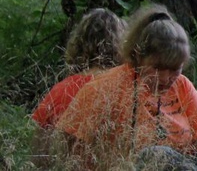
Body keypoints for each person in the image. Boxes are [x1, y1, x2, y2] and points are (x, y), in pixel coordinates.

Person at [54, 5, 197, 170]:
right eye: (157, 68)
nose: (165, 78)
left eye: (174, 69)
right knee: (155, 155)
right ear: (137, 57)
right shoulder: (102, 88)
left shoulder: (183, 85)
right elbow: (69, 146)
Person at [31, 9, 126, 167]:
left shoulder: (60, 90)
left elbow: (39, 155)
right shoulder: (126, 88)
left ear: (78, 43)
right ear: (121, 46)